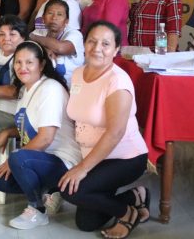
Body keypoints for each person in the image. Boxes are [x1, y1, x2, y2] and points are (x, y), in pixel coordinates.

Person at [59, 21, 149, 238]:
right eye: (92, 41)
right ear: (84, 44)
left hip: (125, 158)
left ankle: (127, 214)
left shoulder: (117, 82)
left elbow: (115, 133)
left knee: (70, 190)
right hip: (95, 157)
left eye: (106, 44)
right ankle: (136, 197)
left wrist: (82, 168)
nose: (97, 48)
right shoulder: (78, 74)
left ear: (116, 49)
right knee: (86, 223)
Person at [0, 41, 82, 230]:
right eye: (18, 62)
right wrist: (7, 132)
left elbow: (46, 138)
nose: (22, 67)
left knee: (17, 159)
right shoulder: (26, 90)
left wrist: (14, 160)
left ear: (41, 65)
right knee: (0, 180)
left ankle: (37, 209)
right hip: (40, 159)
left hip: (63, 160)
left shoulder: (50, 89)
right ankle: (50, 192)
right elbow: (30, 126)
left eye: (29, 62)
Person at [0, 15, 29, 132]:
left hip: (11, 112)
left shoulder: (26, 59)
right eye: (1, 34)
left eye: (12, 34)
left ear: (23, 37)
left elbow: (15, 92)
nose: (6, 38)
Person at [30, 0, 84, 86]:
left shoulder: (75, 34)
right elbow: (26, 44)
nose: (54, 18)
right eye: (50, 13)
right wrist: (45, 49)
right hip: (44, 84)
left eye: (60, 14)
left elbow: (60, 48)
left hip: (70, 87)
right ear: (43, 18)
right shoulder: (39, 32)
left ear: (66, 21)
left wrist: (34, 38)